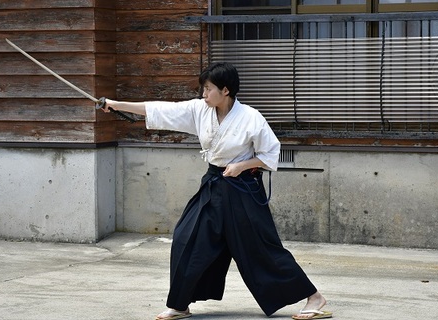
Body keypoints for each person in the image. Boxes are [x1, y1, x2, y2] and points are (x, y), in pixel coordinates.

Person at [100, 62, 332, 320]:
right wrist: (116, 104)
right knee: (187, 237)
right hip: (213, 184)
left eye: (208, 89)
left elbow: (270, 155)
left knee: (260, 248)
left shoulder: (250, 117)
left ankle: (314, 297)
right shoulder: (201, 110)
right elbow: (161, 109)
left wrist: (241, 165)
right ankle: (180, 303)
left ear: (225, 91)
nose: (203, 94)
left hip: (243, 188)